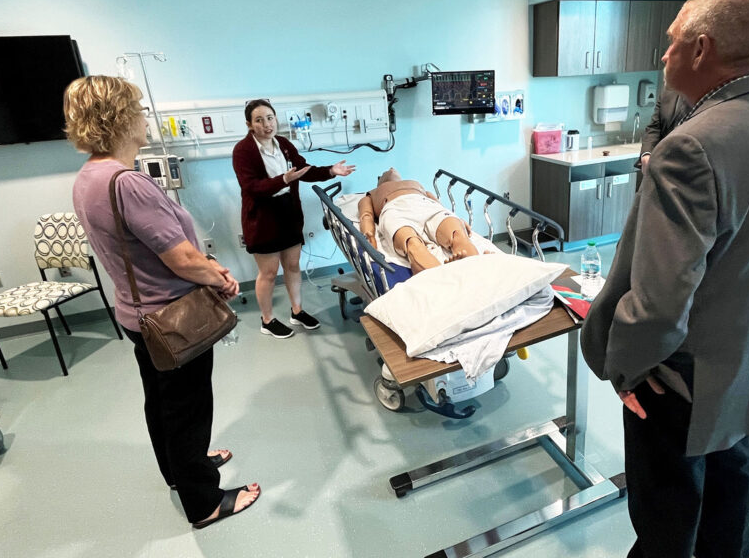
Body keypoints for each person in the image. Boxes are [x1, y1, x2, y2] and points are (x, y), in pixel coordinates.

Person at [579, 0, 749, 558]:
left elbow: (661, 300)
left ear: (700, 49)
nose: (663, 55)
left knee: (668, 519)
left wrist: (628, 370)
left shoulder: (691, 148)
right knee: (731, 504)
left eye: (671, 43)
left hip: (679, 380)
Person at [67, 75, 260, 528]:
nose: (144, 117)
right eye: (138, 109)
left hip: (138, 317)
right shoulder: (127, 183)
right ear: (119, 118)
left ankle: (179, 470)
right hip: (174, 320)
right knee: (189, 409)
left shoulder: (87, 178)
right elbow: (182, 259)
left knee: (161, 401)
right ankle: (205, 502)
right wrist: (220, 276)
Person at [232, 99, 355, 339]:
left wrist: (330, 171)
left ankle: (297, 311)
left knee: (292, 265)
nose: (266, 124)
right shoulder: (243, 151)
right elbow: (252, 187)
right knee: (268, 273)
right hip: (262, 218)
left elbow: (303, 170)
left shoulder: (284, 145)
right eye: (259, 120)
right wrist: (283, 180)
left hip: (288, 214)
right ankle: (266, 320)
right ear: (249, 124)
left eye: (270, 117)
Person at [357, 167, 481, 273]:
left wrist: (454, 217)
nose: (391, 169)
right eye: (386, 172)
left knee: (457, 234)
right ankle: (441, 276)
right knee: (412, 243)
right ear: (380, 181)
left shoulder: (416, 184)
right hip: (395, 209)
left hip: (426, 205)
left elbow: (439, 205)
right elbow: (366, 215)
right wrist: (369, 235)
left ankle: (474, 267)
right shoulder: (372, 193)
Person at [634, 84, 690, 180]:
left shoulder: (710, 98)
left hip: (687, 171)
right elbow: (655, 126)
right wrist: (646, 154)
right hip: (658, 168)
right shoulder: (669, 90)